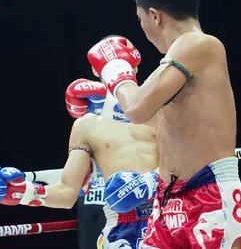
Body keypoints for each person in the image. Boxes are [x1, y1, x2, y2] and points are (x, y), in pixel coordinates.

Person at [87, 0, 241, 249]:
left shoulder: (198, 44)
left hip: (209, 194)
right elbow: (142, 114)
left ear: (155, 16)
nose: (142, 27)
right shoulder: (173, 63)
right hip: (168, 200)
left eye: (140, 18)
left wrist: (115, 68)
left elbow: (136, 108)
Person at [0, 66, 159, 248]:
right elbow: (67, 192)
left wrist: (148, 182)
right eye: (109, 63)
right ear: (95, 70)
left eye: (121, 61)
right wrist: (23, 192)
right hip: (122, 223)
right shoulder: (86, 125)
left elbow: (186, 161)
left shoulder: (158, 109)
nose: (116, 66)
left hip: (170, 211)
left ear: (135, 65)